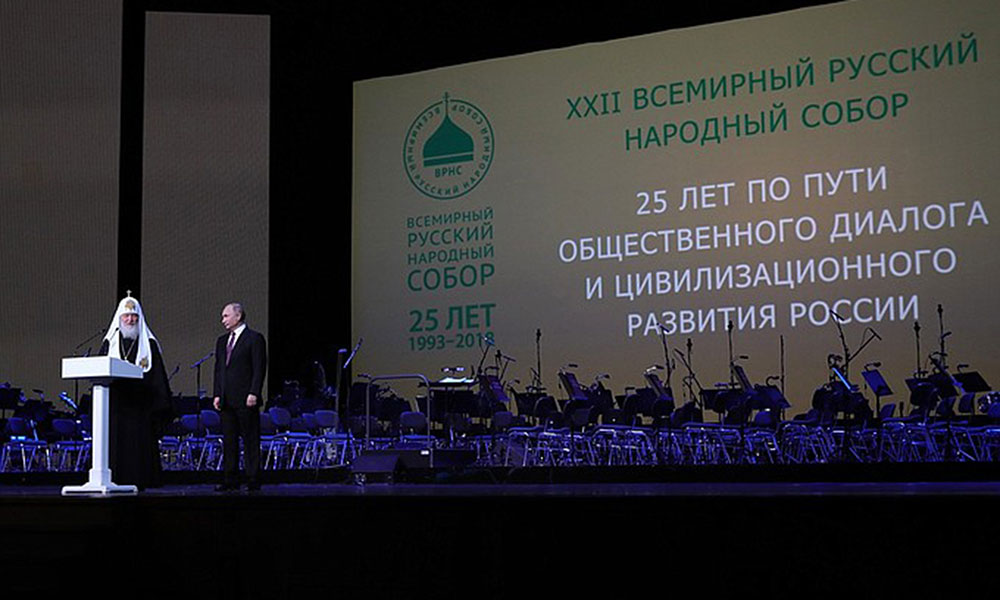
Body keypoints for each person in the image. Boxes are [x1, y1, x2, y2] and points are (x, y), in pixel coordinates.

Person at [98, 293, 171, 490]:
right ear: (119, 318)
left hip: (140, 404)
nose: (130, 320)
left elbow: (157, 376)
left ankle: (142, 479)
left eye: (134, 316)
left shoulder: (149, 344)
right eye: (126, 316)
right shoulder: (109, 343)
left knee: (139, 444)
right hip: (116, 403)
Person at [213, 302, 266, 491]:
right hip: (226, 399)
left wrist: (254, 392)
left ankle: (253, 478)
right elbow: (219, 370)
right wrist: (217, 393)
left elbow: (259, 368)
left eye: (226, 316)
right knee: (229, 440)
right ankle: (231, 478)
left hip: (246, 398)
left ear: (238, 316)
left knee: (250, 439)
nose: (223, 320)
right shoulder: (222, 341)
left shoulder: (254, 338)